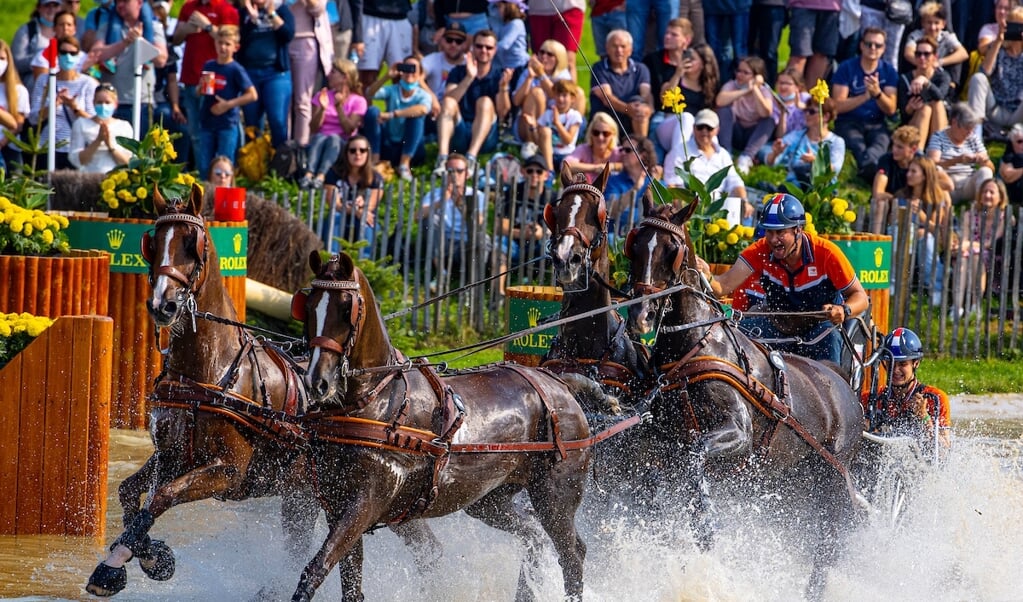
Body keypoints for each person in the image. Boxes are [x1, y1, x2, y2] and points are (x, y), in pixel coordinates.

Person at [704, 193, 870, 364]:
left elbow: (861, 297)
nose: (773, 239)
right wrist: (704, 274)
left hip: (820, 328)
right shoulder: (759, 251)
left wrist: (844, 310)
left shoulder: (827, 253)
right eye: (769, 231)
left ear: (798, 230)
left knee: (831, 340)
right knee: (733, 335)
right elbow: (722, 286)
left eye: (780, 232)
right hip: (778, 326)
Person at [433, 29, 512, 176]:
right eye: (479, 46)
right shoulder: (458, 71)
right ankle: (442, 158)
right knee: (449, 101)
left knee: (485, 102)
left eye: (488, 47)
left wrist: (503, 88)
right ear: (472, 48)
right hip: (459, 131)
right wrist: (469, 78)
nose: (483, 50)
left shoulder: (499, 75)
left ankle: (471, 158)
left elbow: (503, 113)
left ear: (495, 50)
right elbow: (448, 101)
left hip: (485, 136)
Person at [172, 0, 240, 170]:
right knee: (195, 134)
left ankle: (222, 175)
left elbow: (230, 41)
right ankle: (204, 177)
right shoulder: (188, 7)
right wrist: (186, 29)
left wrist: (208, 26)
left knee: (218, 133)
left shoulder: (226, 9)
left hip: (217, 82)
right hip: (190, 78)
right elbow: (176, 40)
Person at [88, 0, 170, 138]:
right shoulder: (108, 26)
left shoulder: (154, 27)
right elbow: (95, 54)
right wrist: (124, 43)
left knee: (139, 154)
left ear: (139, 3)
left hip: (141, 103)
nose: (120, 5)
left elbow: (161, 60)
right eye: (117, 1)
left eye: (125, 1)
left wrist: (140, 41)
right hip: (111, 103)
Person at [862, 327, 951, 451]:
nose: (895, 370)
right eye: (891, 363)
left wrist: (924, 417)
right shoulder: (869, 398)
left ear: (916, 363)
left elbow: (943, 452)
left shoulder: (936, 398)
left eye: (903, 364)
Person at [832, 27, 899, 182]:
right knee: (857, 144)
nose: (873, 48)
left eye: (878, 45)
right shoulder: (847, 67)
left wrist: (877, 94)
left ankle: (868, 167)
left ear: (884, 49)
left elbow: (890, 109)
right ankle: (871, 169)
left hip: (876, 122)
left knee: (881, 142)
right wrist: (865, 96)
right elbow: (837, 105)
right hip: (848, 121)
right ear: (861, 45)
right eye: (869, 44)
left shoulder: (888, 71)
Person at [663, 109, 751, 221]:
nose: (704, 131)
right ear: (694, 128)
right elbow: (673, 187)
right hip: (690, 212)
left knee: (746, 216)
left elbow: (734, 182)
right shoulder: (678, 152)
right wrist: (684, 217)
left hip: (717, 211)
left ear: (717, 130)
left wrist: (744, 201)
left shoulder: (723, 154)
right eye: (700, 127)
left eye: (709, 128)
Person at [28, 35, 99, 171]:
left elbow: (93, 121)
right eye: (64, 52)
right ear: (57, 55)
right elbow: (33, 118)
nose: (68, 56)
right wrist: (54, 105)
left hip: (76, 148)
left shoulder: (88, 83)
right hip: (47, 146)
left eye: (72, 53)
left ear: (78, 56)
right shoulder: (45, 80)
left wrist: (74, 107)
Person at [195, 25, 257, 176]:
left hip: (227, 123)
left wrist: (228, 105)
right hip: (207, 121)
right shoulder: (209, 65)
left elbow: (252, 95)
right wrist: (200, 88)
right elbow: (200, 91)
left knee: (225, 166)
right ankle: (205, 197)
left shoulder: (235, 69)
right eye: (220, 43)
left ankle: (224, 197)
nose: (223, 47)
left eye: (227, 44)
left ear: (236, 47)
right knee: (204, 166)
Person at [893, 156, 952, 305]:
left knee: (926, 238)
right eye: (909, 171)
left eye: (914, 171)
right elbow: (891, 221)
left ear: (925, 175)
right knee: (894, 231)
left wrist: (920, 215)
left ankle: (935, 288)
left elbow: (935, 229)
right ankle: (893, 283)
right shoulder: (901, 195)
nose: (908, 175)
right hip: (903, 235)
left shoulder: (937, 198)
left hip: (928, 240)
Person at [300, 58, 367, 189]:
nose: (328, 75)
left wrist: (339, 108)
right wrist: (322, 109)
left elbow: (349, 129)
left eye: (333, 72)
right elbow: (313, 128)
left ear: (345, 77)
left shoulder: (358, 101)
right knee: (320, 137)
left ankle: (321, 176)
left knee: (334, 138)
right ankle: (308, 174)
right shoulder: (322, 95)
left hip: (342, 142)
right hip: (319, 140)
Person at [363, 56, 434, 180]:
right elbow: (370, 93)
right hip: (389, 144)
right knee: (373, 111)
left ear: (420, 74)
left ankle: (404, 165)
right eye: (406, 68)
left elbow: (423, 109)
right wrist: (386, 77)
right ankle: (374, 161)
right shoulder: (393, 90)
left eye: (413, 69)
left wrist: (392, 114)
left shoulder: (423, 95)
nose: (409, 73)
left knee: (415, 117)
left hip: (411, 147)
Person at [238, 0, 295, 149]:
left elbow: (288, 35)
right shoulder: (244, 12)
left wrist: (272, 15)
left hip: (276, 73)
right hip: (250, 73)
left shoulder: (281, 9)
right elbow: (238, 41)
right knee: (251, 122)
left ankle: (280, 165)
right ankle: (256, 166)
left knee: (277, 120)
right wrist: (251, 20)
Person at [419, 153, 489, 273]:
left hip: (467, 245)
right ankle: (441, 272)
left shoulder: (477, 195)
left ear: (467, 174)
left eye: (459, 171)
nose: (454, 175)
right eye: (450, 171)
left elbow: (479, 223)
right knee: (429, 219)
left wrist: (461, 205)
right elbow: (417, 216)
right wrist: (440, 202)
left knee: (483, 238)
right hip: (443, 244)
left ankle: (471, 281)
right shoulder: (435, 194)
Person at [952, 178, 1011, 315]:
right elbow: (965, 238)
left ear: (1000, 197)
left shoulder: (1003, 217)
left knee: (976, 256)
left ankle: (975, 305)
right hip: (968, 253)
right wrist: (967, 245)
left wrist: (969, 245)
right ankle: (957, 307)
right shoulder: (969, 214)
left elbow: (990, 243)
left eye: (992, 192)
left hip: (991, 256)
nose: (987, 195)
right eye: (985, 191)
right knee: (964, 260)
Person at [494, 153, 551, 295]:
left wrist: (541, 233)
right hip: (514, 244)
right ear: (523, 172)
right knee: (499, 244)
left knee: (550, 246)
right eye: (530, 170)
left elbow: (558, 230)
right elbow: (499, 226)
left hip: (539, 247)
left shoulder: (552, 197)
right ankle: (498, 294)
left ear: (546, 175)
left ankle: (533, 289)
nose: (534, 174)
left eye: (539, 171)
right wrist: (521, 233)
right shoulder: (512, 192)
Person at [765, 97, 845, 187]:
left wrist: (816, 161)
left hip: (821, 193)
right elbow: (770, 163)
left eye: (811, 112)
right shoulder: (796, 136)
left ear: (826, 116)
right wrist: (775, 154)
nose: (806, 114)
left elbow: (835, 169)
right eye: (806, 110)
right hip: (795, 188)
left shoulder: (836, 142)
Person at [324, 135, 384, 254]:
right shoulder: (333, 173)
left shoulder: (375, 178)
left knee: (367, 223)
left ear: (368, 153)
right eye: (352, 150)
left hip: (364, 218)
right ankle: (333, 260)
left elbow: (371, 206)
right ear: (346, 153)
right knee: (335, 218)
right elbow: (333, 203)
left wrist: (363, 207)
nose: (357, 154)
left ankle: (364, 264)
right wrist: (355, 211)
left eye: (362, 150)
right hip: (340, 215)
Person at [967, 6, 1023, 134]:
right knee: (978, 78)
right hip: (995, 108)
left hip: (1019, 112)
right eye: (1013, 25)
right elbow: (985, 71)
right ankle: (976, 135)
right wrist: (998, 41)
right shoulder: (997, 47)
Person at [715, 55, 776, 173]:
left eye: (745, 72)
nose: (740, 75)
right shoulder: (731, 85)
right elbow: (719, 101)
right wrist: (746, 90)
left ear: (756, 76)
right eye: (738, 71)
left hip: (752, 135)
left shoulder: (764, 91)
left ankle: (746, 157)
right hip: (734, 132)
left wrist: (755, 89)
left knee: (770, 120)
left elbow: (765, 113)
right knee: (724, 110)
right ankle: (726, 153)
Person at [511, 39, 580, 143]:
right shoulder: (528, 72)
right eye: (541, 52)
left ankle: (572, 135)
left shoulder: (563, 75)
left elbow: (555, 95)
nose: (544, 57)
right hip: (527, 125)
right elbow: (516, 101)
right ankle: (532, 142)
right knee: (537, 93)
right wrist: (529, 78)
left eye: (550, 54)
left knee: (579, 93)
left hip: (556, 125)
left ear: (558, 58)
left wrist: (541, 75)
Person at [925, 103, 994, 204]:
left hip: (967, 183)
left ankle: (982, 209)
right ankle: (942, 211)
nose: (969, 133)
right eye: (967, 128)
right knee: (937, 170)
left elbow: (991, 168)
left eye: (972, 129)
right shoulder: (938, 137)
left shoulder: (973, 139)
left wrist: (984, 161)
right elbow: (932, 164)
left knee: (985, 172)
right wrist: (957, 160)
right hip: (947, 185)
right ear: (954, 122)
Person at [589, 29, 654, 137]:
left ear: (630, 50)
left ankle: (640, 147)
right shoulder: (599, 68)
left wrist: (648, 109)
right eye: (615, 46)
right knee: (637, 109)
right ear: (607, 48)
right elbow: (607, 98)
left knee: (640, 106)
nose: (619, 50)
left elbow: (646, 94)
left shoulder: (641, 69)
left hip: (634, 116)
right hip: (608, 116)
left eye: (623, 46)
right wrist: (628, 109)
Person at [287, 0, 334, 148]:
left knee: (302, 100)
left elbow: (318, 9)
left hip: (306, 42)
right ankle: (283, 152)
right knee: (284, 101)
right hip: (281, 39)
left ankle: (301, 149)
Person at [897, 35, 951, 146]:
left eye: (926, 54)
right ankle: (919, 155)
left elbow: (940, 95)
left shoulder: (943, 76)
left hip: (939, 121)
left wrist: (926, 82)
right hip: (914, 124)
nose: (922, 58)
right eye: (918, 54)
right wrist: (910, 108)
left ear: (934, 57)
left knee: (937, 103)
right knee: (925, 109)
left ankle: (938, 151)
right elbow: (902, 114)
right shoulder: (905, 79)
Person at [68, 82, 133, 172]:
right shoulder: (81, 124)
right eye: (99, 102)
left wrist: (110, 145)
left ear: (115, 104)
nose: (103, 106)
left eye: (107, 102)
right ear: (93, 103)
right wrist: (98, 140)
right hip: (89, 178)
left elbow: (129, 162)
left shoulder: (124, 126)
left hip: (116, 179)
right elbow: (77, 160)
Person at [521, 79, 583, 173]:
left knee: (569, 166)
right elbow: (538, 141)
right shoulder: (547, 114)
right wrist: (533, 127)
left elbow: (568, 140)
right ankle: (550, 172)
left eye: (564, 95)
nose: (561, 99)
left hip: (566, 154)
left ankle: (560, 176)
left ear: (572, 98)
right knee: (546, 131)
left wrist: (557, 123)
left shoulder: (575, 116)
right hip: (548, 155)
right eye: (558, 95)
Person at [903, 1, 969, 84]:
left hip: (939, 76)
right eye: (929, 23)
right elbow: (908, 53)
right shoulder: (916, 35)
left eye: (936, 23)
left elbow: (963, 54)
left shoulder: (947, 36)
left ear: (943, 24)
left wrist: (939, 62)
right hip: (918, 76)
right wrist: (924, 64)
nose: (933, 27)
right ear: (923, 23)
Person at [605, 136, 660, 236]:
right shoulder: (613, 180)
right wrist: (635, 188)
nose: (622, 153)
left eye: (627, 150)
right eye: (621, 150)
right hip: (616, 238)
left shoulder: (656, 184)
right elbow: (609, 211)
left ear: (642, 155)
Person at [356, 0, 412, 91]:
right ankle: (365, 105)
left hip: (400, 15)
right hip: (370, 14)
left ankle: (401, 105)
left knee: (403, 74)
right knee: (366, 75)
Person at [784, 0, 841, 88]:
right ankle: (789, 97)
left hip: (832, 7)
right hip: (802, 5)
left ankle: (809, 98)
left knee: (821, 55)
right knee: (799, 55)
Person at [12, 0, 62, 92]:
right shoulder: (26, 31)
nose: (51, 9)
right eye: (47, 6)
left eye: (55, 5)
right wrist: (41, 57)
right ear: (39, 8)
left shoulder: (65, 29)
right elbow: (17, 62)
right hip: (32, 85)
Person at [563, 112, 625, 183]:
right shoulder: (584, 149)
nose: (600, 137)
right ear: (590, 133)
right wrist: (595, 168)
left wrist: (613, 166)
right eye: (596, 132)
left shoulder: (619, 152)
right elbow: (565, 165)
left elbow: (633, 164)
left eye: (606, 134)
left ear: (613, 135)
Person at [0, 40, 31, 172]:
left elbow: (17, 125)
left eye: (2, 58)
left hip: (10, 148)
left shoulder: (19, 90)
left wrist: (2, 142)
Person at [421, 22, 467, 102]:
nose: (453, 44)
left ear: (464, 44)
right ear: (442, 41)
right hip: (435, 107)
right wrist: (432, 98)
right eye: (449, 40)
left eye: (458, 41)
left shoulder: (469, 63)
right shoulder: (432, 59)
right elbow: (417, 78)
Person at [489, 0, 529, 72]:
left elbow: (505, 44)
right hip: (508, 66)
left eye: (500, 7)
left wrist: (489, 49)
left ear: (509, 7)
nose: (498, 10)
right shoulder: (504, 24)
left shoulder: (516, 23)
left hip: (519, 65)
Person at [997, 123, 1023, 205]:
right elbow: (1007, 176)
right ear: (1012, 143)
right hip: (1013, 192)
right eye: (1019, 142)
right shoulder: (1008, 157)